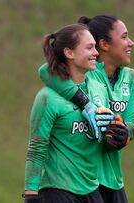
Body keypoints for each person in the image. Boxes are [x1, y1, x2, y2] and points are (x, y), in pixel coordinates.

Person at [38, 15, 134, 203]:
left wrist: (123, 133)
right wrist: (85, 103)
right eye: (125, 37)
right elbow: (45, 71)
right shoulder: (88, 73)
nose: (131, 43)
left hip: (113, 178)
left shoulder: (132, 78)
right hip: (82, 179)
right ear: (104, 44)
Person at [23, 23, 115, 203]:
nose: (96, 53)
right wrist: (31, 193)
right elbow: (36, 148)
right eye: (89, 48)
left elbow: (102, 142)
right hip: (58, 190)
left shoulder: (98, 90)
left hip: (91, 187)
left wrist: (115, 133)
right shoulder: (47, 98)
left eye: (95, 47)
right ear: (69, 53)